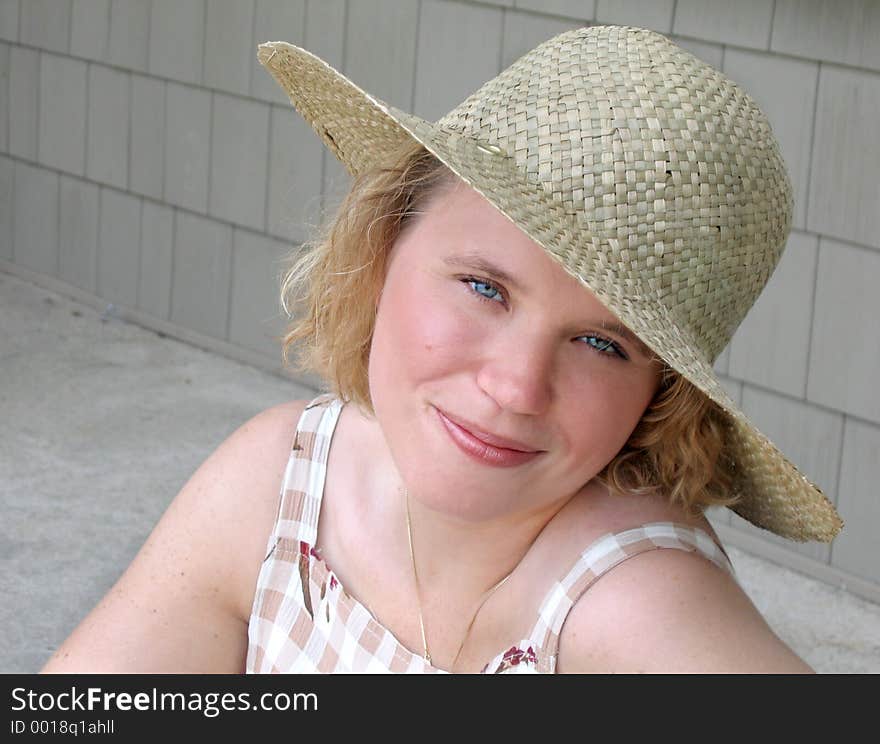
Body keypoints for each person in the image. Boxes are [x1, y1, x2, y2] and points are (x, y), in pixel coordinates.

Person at [41, 25, 843, 674]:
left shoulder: (632, 602)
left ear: (660, 393)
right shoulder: (280, 490)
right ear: (387, 247)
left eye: (602, 342)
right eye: (485, 288)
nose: (517, 387)